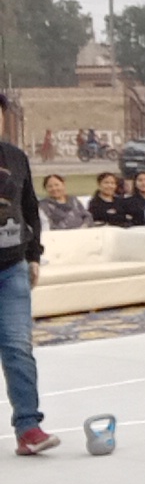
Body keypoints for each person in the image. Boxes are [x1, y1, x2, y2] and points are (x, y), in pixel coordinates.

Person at [0, 94, 54, 457]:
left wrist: (34, 255)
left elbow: (30, 208)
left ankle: (29, 427)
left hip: (12, 268)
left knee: (19, 348)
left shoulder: (15, 158)